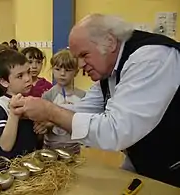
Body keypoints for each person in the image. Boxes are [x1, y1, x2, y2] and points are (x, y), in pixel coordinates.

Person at [10, 14, 180, 187]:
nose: (81, 65)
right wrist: (44, 114)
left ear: (110, 42)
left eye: (84, 55)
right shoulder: (109, 72)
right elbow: (83, 109)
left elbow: (115, 131)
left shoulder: (151, 58)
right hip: (144, 161)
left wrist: (50, 111)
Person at [0, 50, 45, 159]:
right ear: (4, 82)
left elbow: (35, 138)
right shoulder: (1, 104)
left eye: (28, 72)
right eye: (20, 76)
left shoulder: (32, 100)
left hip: (32, 163)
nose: (27, 78)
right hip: (10, 169)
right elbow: (5, 146)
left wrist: (42, 129)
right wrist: (14, 114)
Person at [42, 49, 85, 154]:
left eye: (68, 70)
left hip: (74, 147)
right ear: (52, 70)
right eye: (57, 69)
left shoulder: (83, 96)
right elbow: (42, 123)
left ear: (76, 72)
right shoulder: (48, 95)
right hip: (51, 147)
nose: (62, 73)